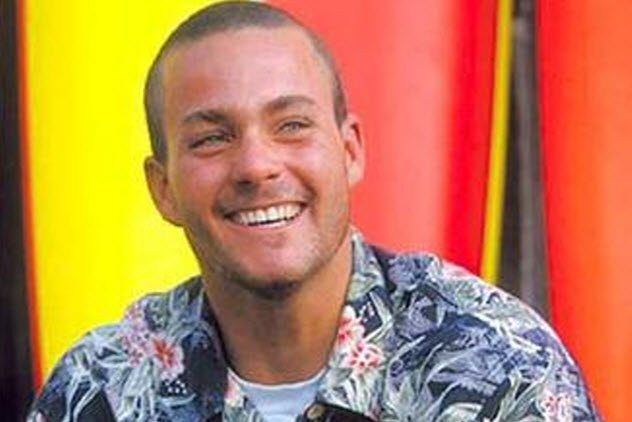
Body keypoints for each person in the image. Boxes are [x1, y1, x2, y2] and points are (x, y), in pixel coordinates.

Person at [28, 2, 600, 421]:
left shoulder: (496, 367)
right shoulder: (101, 389)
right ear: (162, 189)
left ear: (350, 152)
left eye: (292, 126)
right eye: (212, 138)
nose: (256, 165)